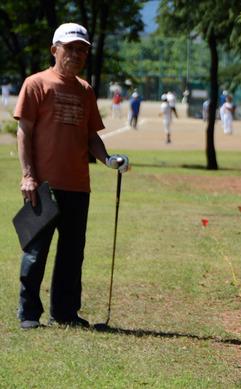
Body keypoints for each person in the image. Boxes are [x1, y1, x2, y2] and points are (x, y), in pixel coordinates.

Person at [13, 22, 130, 329]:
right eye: (71, 48)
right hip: (43, 185)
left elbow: (91, 136)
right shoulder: (36, 84)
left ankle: (65, 312)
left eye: (82, 50)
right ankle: (28, 313)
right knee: (36, 251)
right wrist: (28, 176)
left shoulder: (85, 91)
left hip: (79, 185)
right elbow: (24, 131)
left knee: (72, 253)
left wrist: (108, 159)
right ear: (55, 50)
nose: (77, 54)